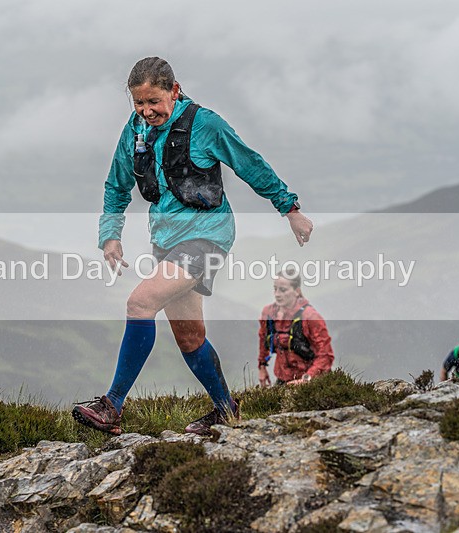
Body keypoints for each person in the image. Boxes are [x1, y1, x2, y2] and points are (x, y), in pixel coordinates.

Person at [73, 57, 314, 437]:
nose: (146, 111)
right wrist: (111, 235)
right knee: (189, 336)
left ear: (174, 91)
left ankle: (111, 405)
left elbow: (249, 163)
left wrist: (290, 208)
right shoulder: (134, 131)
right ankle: (226, 410)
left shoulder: (205, 124)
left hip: (207, 236)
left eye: (154, 101)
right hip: (166, 239)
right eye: (138, 103)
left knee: (140, 302)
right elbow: (115, 185)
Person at [258, 268, 334, 386]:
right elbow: (263, 339)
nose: (277, 294)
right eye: (275, 289)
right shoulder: (268, 313)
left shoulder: (310, 317)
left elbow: (325, 355)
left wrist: (306, 379)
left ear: (297, 291)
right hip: (283, 380)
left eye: (283, 290)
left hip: (312, 382)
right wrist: (262, 367)